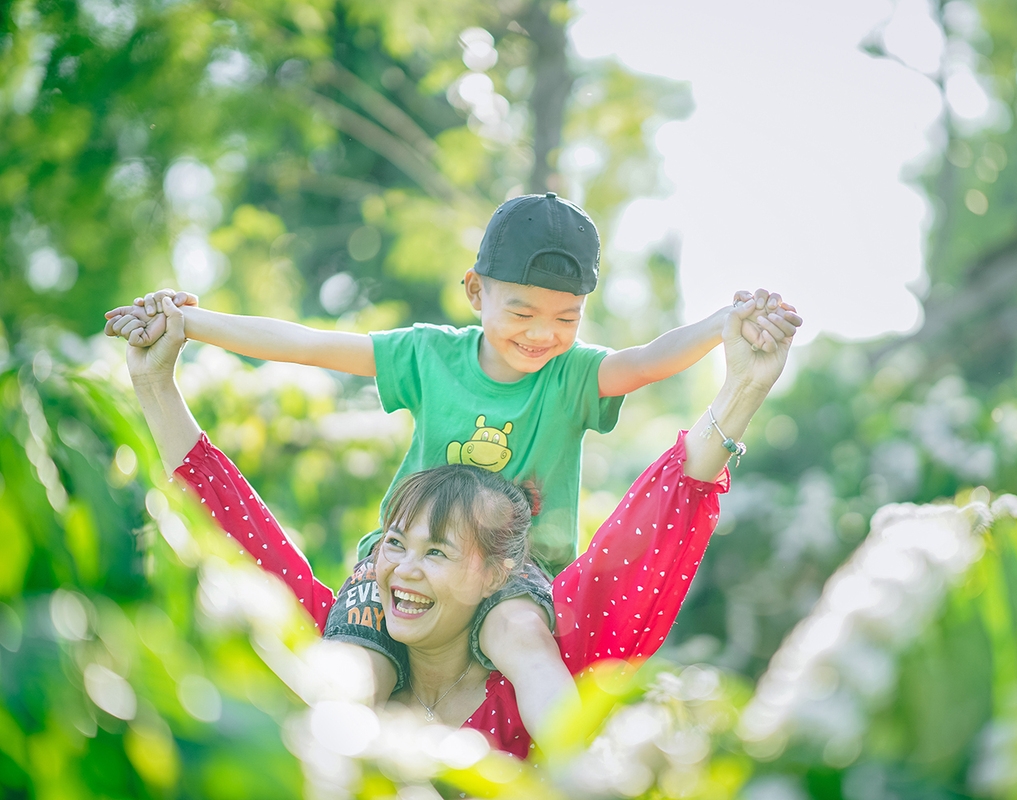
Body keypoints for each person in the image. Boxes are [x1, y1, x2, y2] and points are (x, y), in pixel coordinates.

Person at [105, 191, 801, 735]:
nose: (542, 334)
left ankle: (578, 770)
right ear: (475, 291)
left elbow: (647, 362)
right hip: (405, 552)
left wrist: (719, 327)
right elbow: (309, 345)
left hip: (514, 570)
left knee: (527, 644)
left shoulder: (573, 376)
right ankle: (333, 762)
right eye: (522, 311)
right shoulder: (427, 356)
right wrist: (191, 324)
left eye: (567, 317)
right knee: (353, 669)